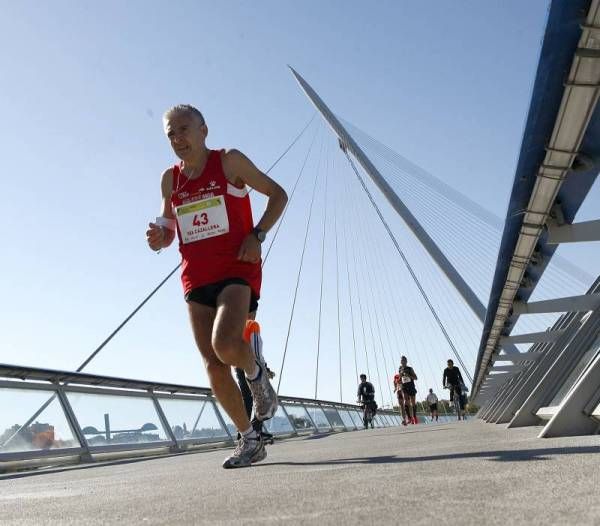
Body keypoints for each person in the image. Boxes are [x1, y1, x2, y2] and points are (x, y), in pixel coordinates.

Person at [146, 104, 288, 468]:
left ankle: (257, 380)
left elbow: (278, 194)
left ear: (203, 130)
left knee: (224, 344)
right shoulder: (170, 179)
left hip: (237, 267)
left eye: (184, 129)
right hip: (196, 276)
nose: (178, 138)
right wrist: (160, 236)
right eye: (170, 134)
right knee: (212, 364)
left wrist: (258, 234)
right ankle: (250, 439)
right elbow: (169, 225)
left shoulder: (229, 162)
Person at [398, 356, 418, 424]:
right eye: (402, 360)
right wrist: (399, 378)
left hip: (411, 386)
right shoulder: (400, 369)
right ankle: (409, 418)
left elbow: (415, 378)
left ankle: (414, 416)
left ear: (406, 361)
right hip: (404, 387)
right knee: (406, 401)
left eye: (404, 360)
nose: (403, 362)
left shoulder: (410, 369)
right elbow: (400, 379)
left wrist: (408, 375)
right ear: (400, 362)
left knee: (413, 402)